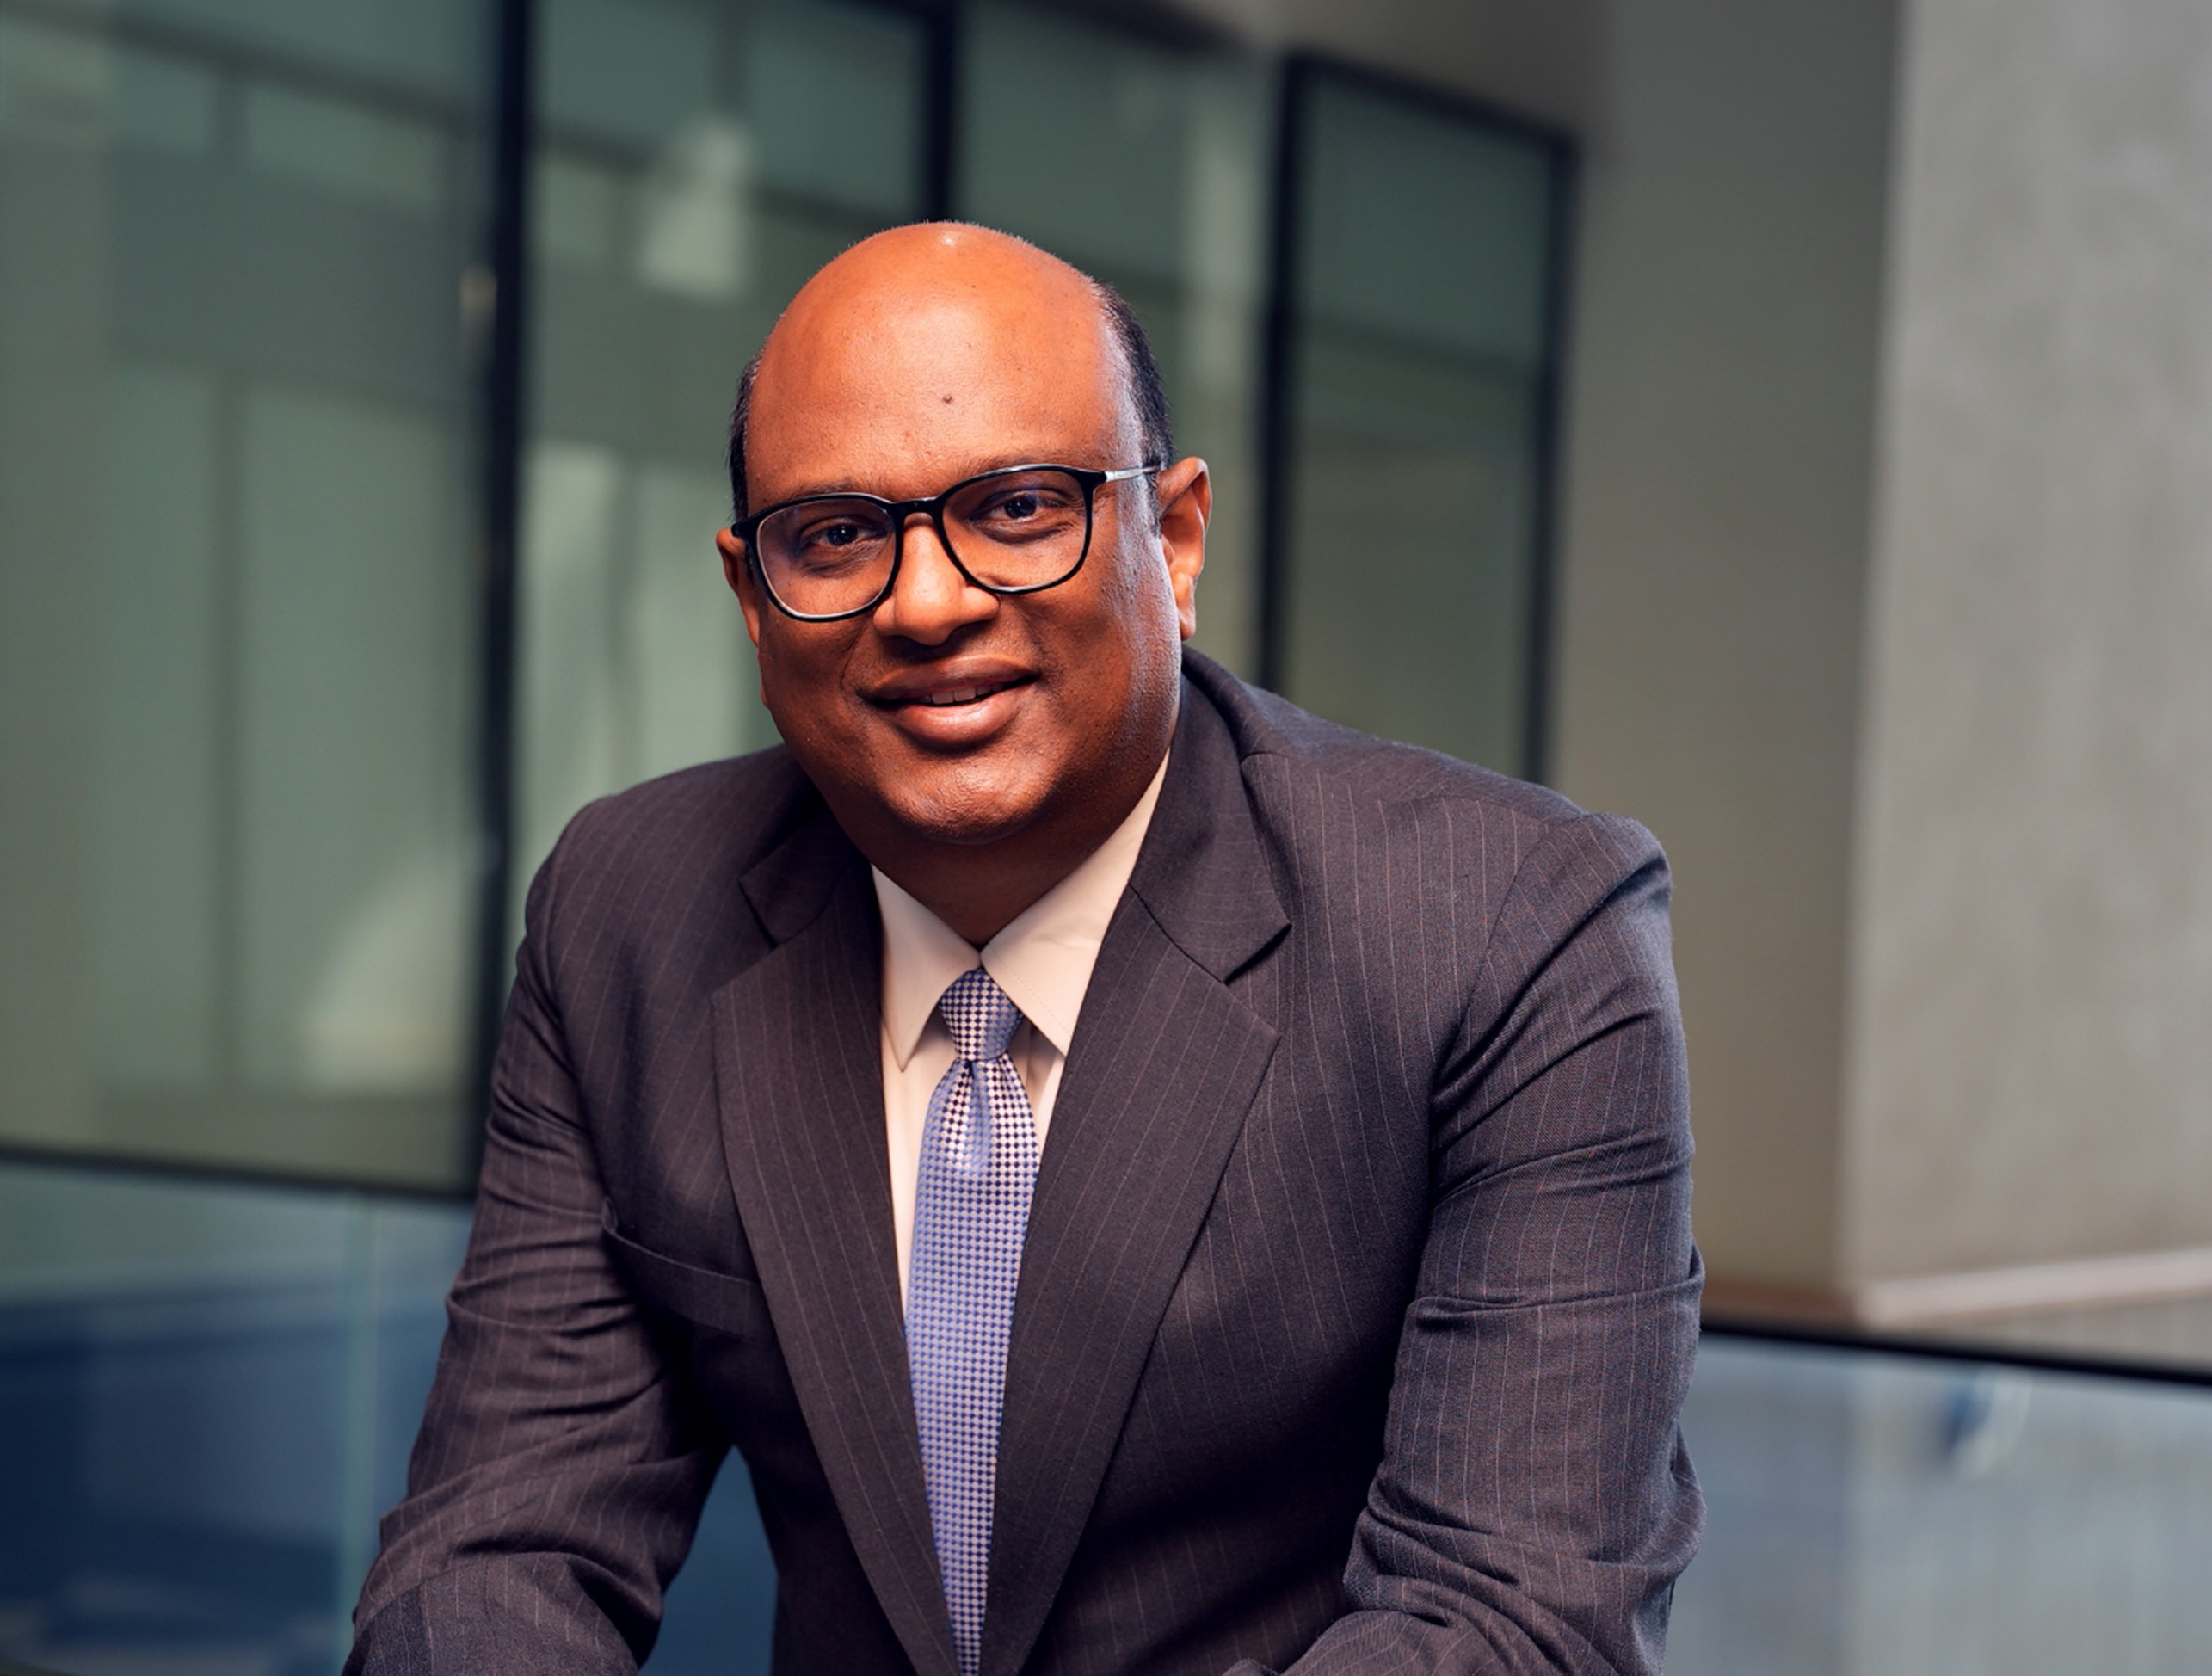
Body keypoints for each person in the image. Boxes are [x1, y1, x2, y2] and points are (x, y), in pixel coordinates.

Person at [349, 222, 1701, 1676]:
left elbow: (1509, 1622)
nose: (927, 604)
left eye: (1016, 508)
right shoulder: (631, 910)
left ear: (1175, 540)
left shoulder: (1507, 925)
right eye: (836, 535)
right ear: (751, 598)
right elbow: (497, 1551)